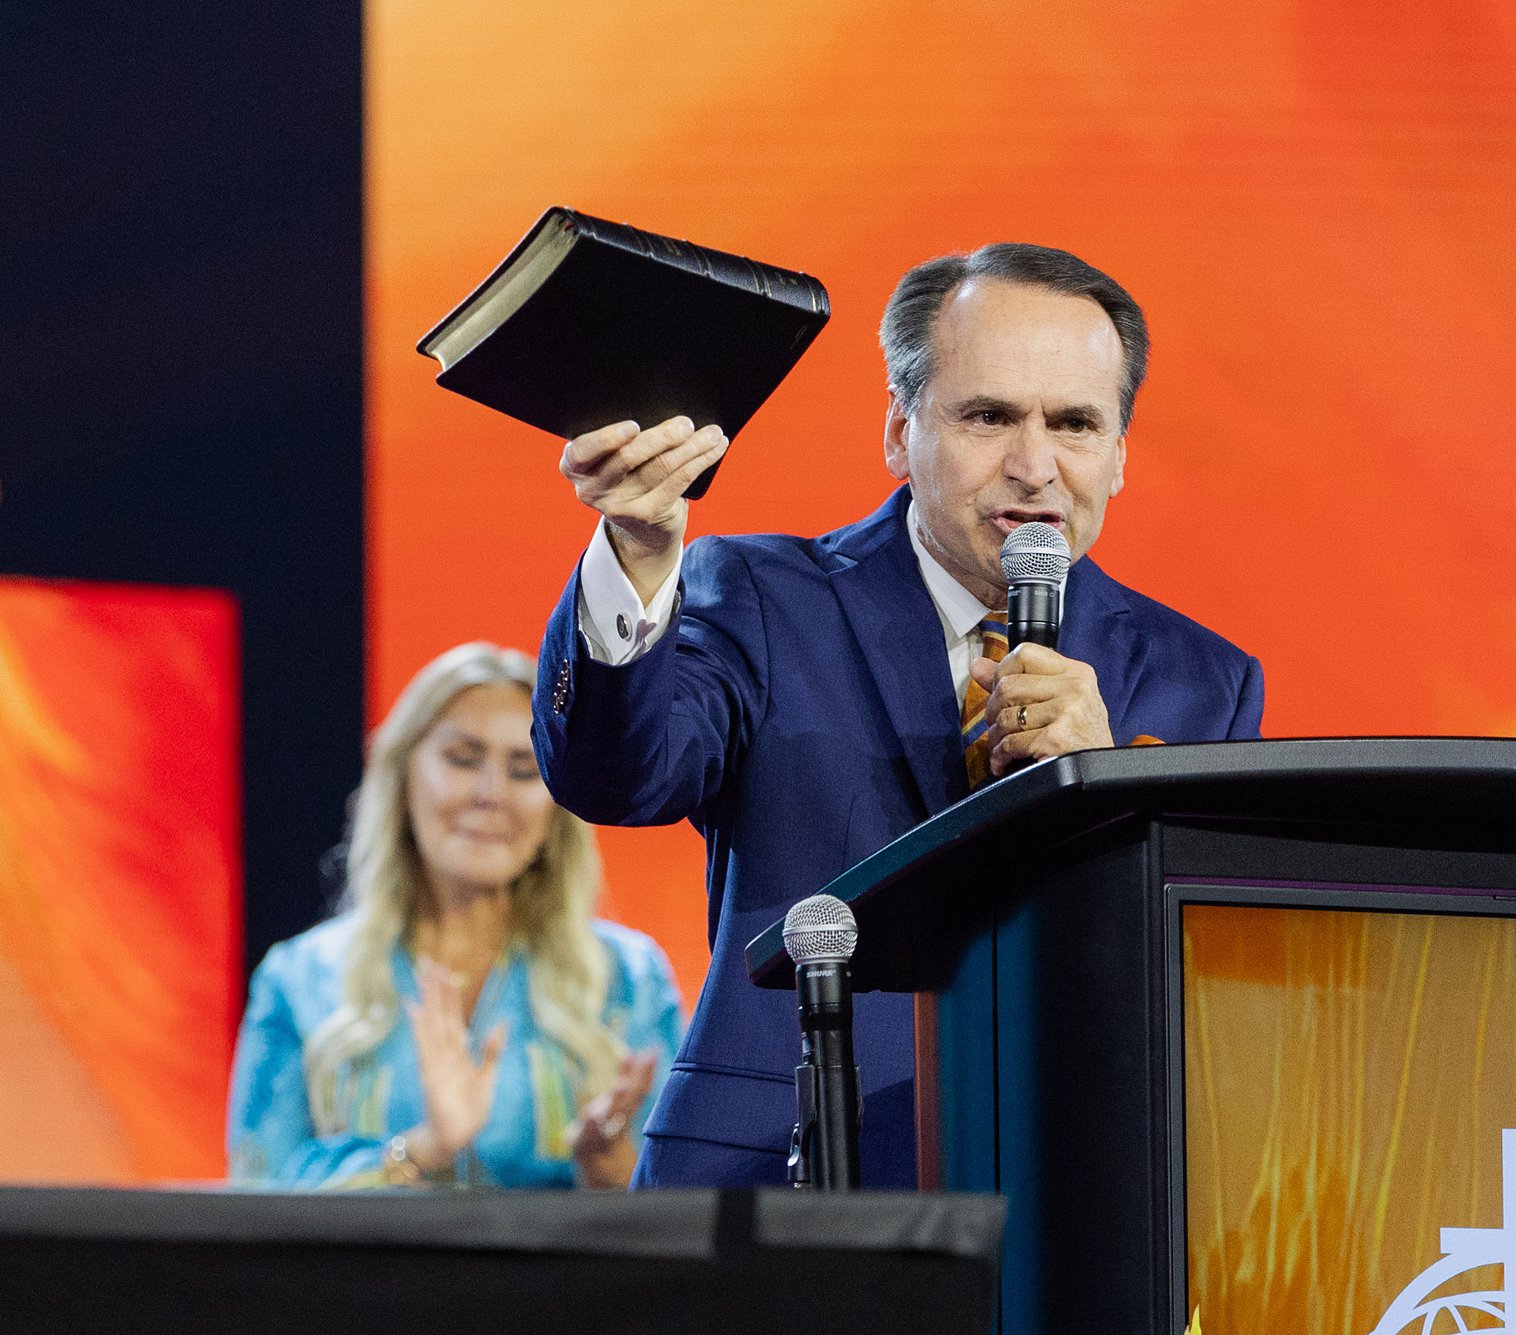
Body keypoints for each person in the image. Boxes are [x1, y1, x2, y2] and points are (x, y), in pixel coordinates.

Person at [534, 244, 1264, 1189]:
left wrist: (1107, 793)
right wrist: (637, 552)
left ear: (1119, 455)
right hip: (787, 1180)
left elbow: (1205, 994)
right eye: (990, 415)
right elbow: (616, 776)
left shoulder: (1203, 678)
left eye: (1075, 423)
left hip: (1078, 1192)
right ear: (898, 428)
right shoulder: (762, 595)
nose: (1034, 465)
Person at [227, 642, 684, 1188]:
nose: (491, 794)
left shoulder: (629, 979)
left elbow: (682, 1208)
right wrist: (423, 1150)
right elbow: (258, 1194)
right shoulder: (301, 978)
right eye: (463, 759)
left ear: (555, 811)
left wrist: (610, 1169)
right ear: (402, 782)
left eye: (524, 770)